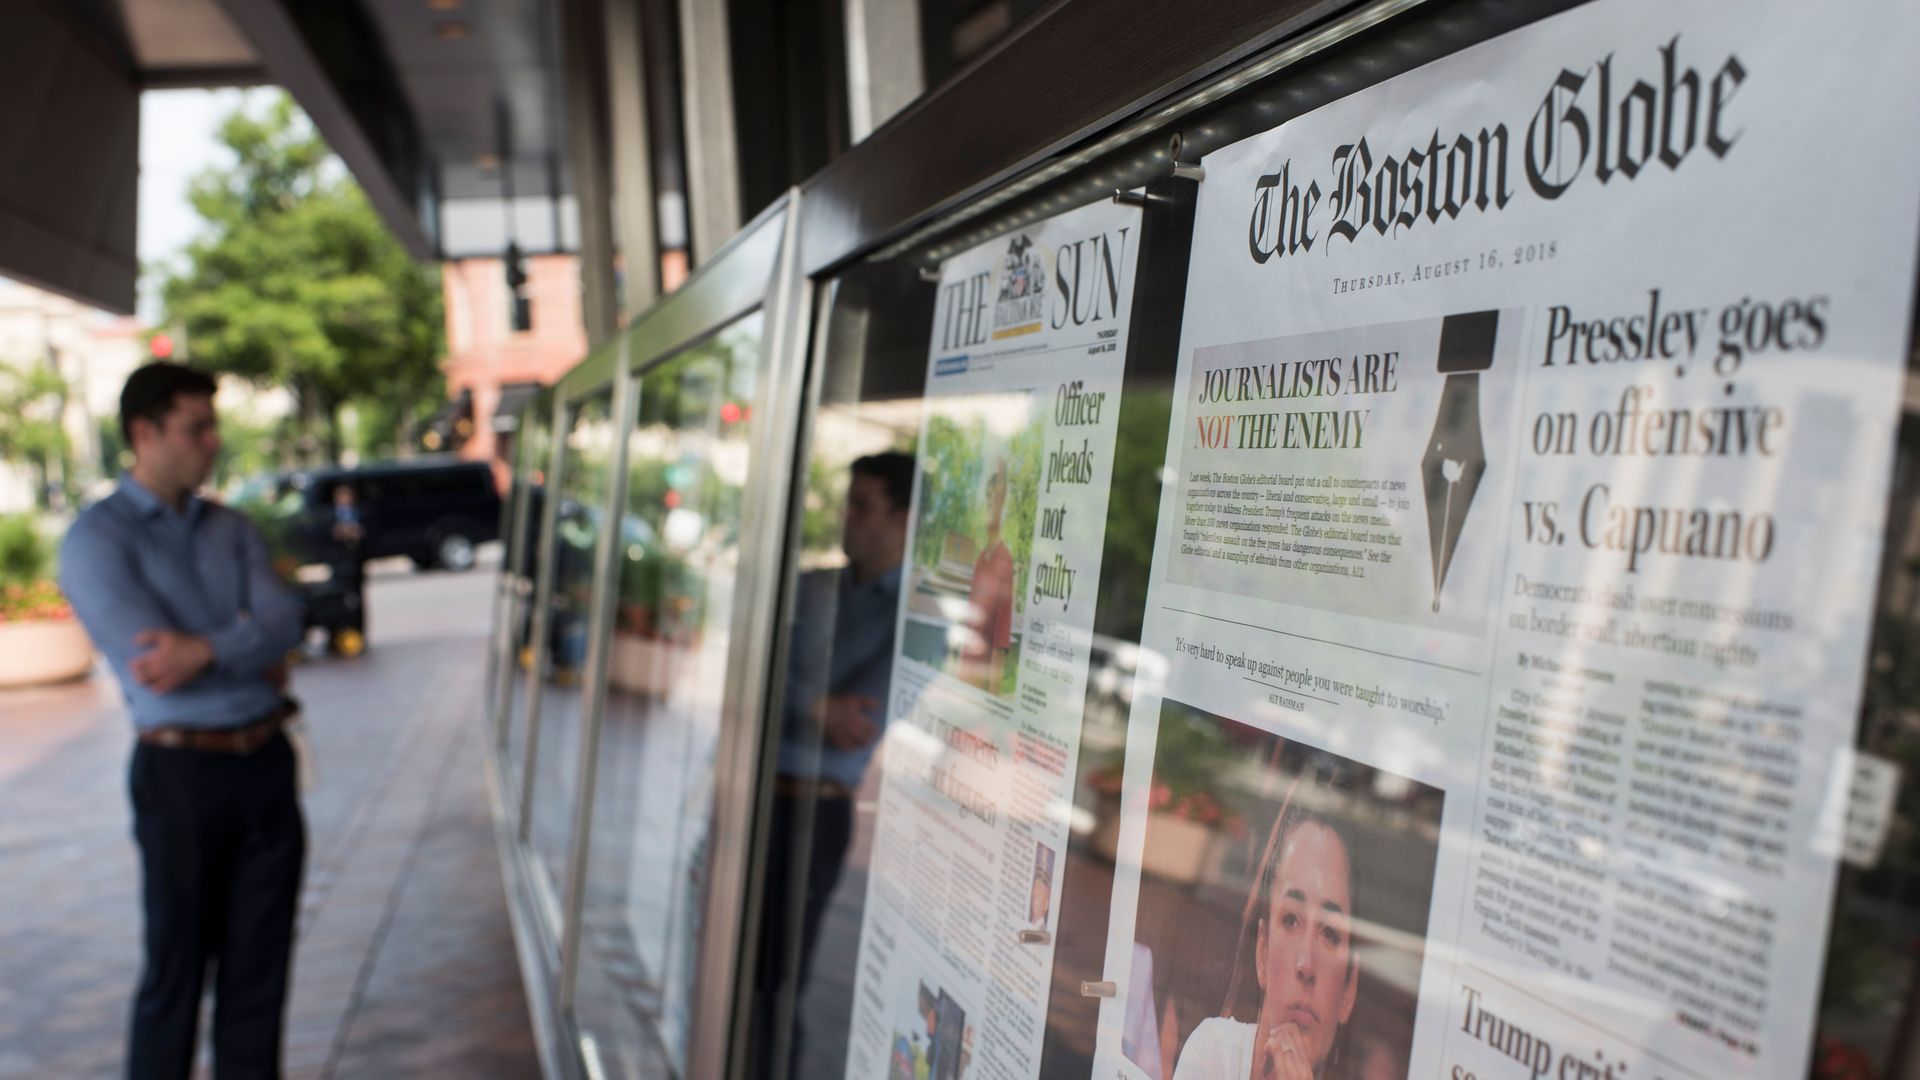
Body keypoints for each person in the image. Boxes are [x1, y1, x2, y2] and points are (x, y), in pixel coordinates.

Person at [60, 362, 308, 1079]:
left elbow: (285, 621)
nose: (213, 441)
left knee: (259, 977)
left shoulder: (230, 527)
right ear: (145, 433)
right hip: (181, 774)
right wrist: (242, 644)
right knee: (175, 974)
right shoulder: (96, 540)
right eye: (196, 427)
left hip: (265, 763)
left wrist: (205, 648)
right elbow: (153, 663)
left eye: (212, 425)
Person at [754, 451, 913, 1075]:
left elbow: (857, 724)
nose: (846, 518)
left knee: (775, 985)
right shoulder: (812, 586)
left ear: (903, 519)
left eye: (863, 506)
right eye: (848, 503)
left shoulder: (910, 620)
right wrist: (817, 703)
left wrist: (798, 696)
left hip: (813, 819)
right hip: (754, 794)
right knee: (723, 955)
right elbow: (758, 676)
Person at [1172, 806, 1361, 1080]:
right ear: (1262, 952)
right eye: (1291, 920)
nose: (1306, 965)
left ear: (1349, 990)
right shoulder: (1215, 1054)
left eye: (1330, 933)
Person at [961, 458, 1013, 693]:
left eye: (996, 500)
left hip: (981, 677)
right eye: (988, 500)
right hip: (965, 668)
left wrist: (992, 693)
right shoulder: (982, 557)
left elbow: (1001, 634)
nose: (990, 507)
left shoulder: (1004, 559)